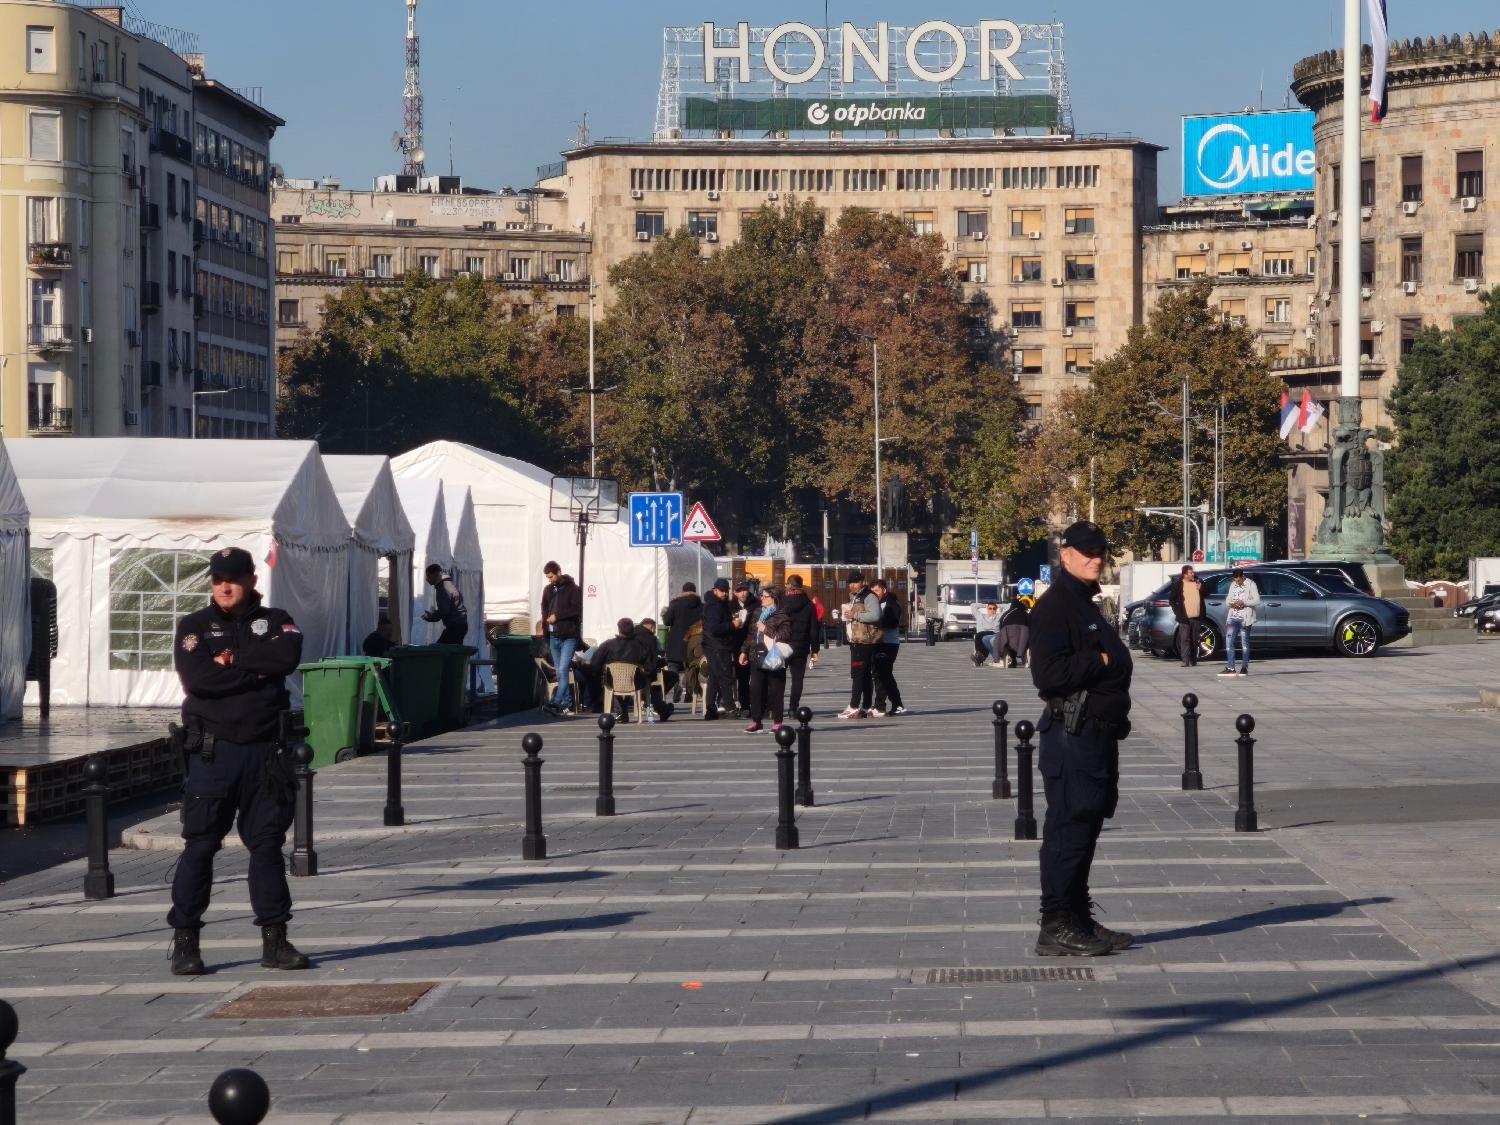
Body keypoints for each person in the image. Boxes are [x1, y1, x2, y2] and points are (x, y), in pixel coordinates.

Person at [166, 547, 310, 976]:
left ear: (251, 580)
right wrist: (256, 671)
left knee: (266, 845)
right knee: (201, 845)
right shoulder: (194, 626)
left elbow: (286, 658)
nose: (224, 587)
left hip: (265, 754)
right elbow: (198, 679)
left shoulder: (277, 620)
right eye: (217, 580)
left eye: (232, 579)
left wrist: (231, 659)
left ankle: (275, 940)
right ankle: (185, 940)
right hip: (214, 754)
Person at [1028, 521, 1135, 958]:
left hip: (1093, 736)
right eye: (1087, 551)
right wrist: (1102, 660)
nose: (1096, 558)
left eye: (1100, 551)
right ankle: (1055, 924)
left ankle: (1076, 916)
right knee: (1068, 830)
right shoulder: (1056, 606)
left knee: (1085, 829)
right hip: (1072, 736)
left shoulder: (1083, 602)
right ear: (1065, 554)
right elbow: (1048, 674)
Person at [740, 585, 793, 733]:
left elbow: (785, 636)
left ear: (774, 598)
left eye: (765, 596)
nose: (761, 599)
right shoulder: (758, 612)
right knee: (755, 689)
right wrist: (744, 651)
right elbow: (751, 634)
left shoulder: (782, 614)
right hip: (757, 654)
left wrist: (766, 629)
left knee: (776, 690)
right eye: (761, 596)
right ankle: (756, 721)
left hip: (774, 657)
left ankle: (777, 722)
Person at [585, 617, 653, 719]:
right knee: (636, 679)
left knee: (607, 680)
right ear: (633, 629)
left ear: (619, 629)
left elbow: (595, 663)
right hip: (635, 682)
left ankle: (619, 710)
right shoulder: (641, 646)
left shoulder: (607, 645)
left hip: (612, 682)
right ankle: (623, 709)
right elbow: (649, 665)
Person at [538, 562, 583, 716]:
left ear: (558, 572)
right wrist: (545, 627)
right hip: (553, 636)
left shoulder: (573, 589)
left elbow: (576, 610)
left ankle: (556, 703)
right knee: (559, 670)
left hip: (569, 636)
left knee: (563, 669)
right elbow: (544, 609)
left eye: (551, 576)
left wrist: (558, 616)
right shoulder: (548, 590)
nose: (549, 580)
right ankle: (566, 704)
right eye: (547, 577)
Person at [838, 572, 883, 720]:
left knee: (857, 674)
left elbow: (875, 615)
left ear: (863, 582)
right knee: (864, 674)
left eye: (855, 582)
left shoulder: (869, 596)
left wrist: (855, 615)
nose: (852, 585)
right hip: (856, 640)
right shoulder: (854, 597)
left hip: (865, 641)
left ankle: (853, 706)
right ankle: (866, 706)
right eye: (850, 582)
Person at [781, 575, 821, 712]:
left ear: (788, 585)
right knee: (797, 679)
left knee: (778, 678)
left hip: (782, 645)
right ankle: (793, 708)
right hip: (801, 647)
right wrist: (815, 650)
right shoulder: (809, 605)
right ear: (801, 586)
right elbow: (814, 630)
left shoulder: (781, 602)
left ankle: (775, 708)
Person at [869, 577, 908, 717]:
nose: (874, 593)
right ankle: (894, 705)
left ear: (884, 590)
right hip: (876, 643)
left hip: (889, 643)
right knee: (879, 674)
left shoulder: (892, 604)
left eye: (877, 590)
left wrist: (876, 621)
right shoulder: (874, 604)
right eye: (872, 591)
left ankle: (882, 705)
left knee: (884, 674)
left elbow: (893, 622)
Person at [701, 577, 736, 719]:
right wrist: (732, 625)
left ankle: (710, 709)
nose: (725, 593)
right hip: (716, 645)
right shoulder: (713, 606)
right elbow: (714, 628)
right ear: (714, 590)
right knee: (725, 676)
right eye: (722, 591)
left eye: (726, 591)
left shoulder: (720, 604)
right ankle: (730, 708)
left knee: (715, 677)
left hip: (718, 645)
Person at [662, 582, 703, 702]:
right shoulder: (701, 606)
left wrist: (665, 613)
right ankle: (689, 694)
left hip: (676, 641)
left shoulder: (675, 604)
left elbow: (667, 622)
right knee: (690, 667)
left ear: (683, 591)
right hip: (694, 641)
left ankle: (676, 687)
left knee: (673, 666)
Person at [1221, 569, 1260, 677]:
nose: (1237, 582)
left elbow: (1257, 600)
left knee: (1244, 644)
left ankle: (1244, 667)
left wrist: (1244, 602)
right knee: (1229, 641)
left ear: (1243, 577)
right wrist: (1232, 604)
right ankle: (1231, 667)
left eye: (1238, 580)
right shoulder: (1233, 585)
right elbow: (1227, 600)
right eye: (1235, 580)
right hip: (1233, 617)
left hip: (1244, 619)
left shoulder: (1251, 584)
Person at [635, 617, 675, 720]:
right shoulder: (651, 639)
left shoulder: (631, 636)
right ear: (652, 627)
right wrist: (663, 662)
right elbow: (654, 659)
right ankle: (656, 706)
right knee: (671, 677)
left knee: (652, 687)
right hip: (645, 674)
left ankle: (650, 703)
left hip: (627, 676)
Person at [422, 564, 468, 645]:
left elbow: (444, 611)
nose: (426, 579)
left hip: (455, 627)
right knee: (451, 650)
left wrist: (431, 617)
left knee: (440, 649)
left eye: (428, 575)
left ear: (435, 574)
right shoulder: (448, 583)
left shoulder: (442, 587)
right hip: (460, 624)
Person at [1170, 564, 1205, 668]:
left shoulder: (1198, 582)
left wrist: (1201, 588)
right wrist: (1177, 612)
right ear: (1185, 574)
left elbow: (1207, 593)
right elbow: (1172, 600)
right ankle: (1185, 660)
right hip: (1184, 617)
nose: (1193, 574)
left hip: (1197, 616)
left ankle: (1193, 659)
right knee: (1185, 639)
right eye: (1190, 573)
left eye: (1193, 572)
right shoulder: (1178, 584)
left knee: (1195, 639)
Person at [730, 582, 756, 716]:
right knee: (743, 677)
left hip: (755, 645)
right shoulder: (730, 606)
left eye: (745, 590)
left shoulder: (756, 604)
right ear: (735, 592)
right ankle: (745, 705)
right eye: (739, 590)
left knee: (757, 678)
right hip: (738, 645)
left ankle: (759, 705)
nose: (743, 593)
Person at [995, 596, 1033, 668]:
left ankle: (1009, 659)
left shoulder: (1006, 614)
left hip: (1007, 639)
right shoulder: (1025, 614)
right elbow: (1031, 626)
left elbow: (1000, 626)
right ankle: (1024, 660)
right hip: (1023, 640)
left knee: (1007, 642)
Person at [972, 600, 1001, 666]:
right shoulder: (980, 616)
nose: (992, 610)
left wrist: (997, 605)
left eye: (994, 608)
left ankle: (979, 656)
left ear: (996, 609)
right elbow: (973, 605)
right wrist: (986, 605)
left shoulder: (999, 616)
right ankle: (980, 657)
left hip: (993, 633)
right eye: (990, 608)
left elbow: (1008, 606)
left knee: (981, 636)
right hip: (981, 634)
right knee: (980, 636)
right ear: (987, 609)